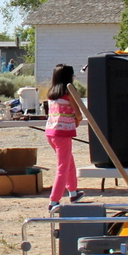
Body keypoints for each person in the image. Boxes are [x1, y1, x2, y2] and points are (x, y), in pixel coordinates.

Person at [44, 64, 81, 213]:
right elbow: (78, 114)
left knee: (68, 161)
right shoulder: (69, 92)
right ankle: (54, 201)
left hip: (50, 132)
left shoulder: (51, 93)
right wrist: (77, 120)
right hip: (62, 133)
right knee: (63, 167)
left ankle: (73, 192)